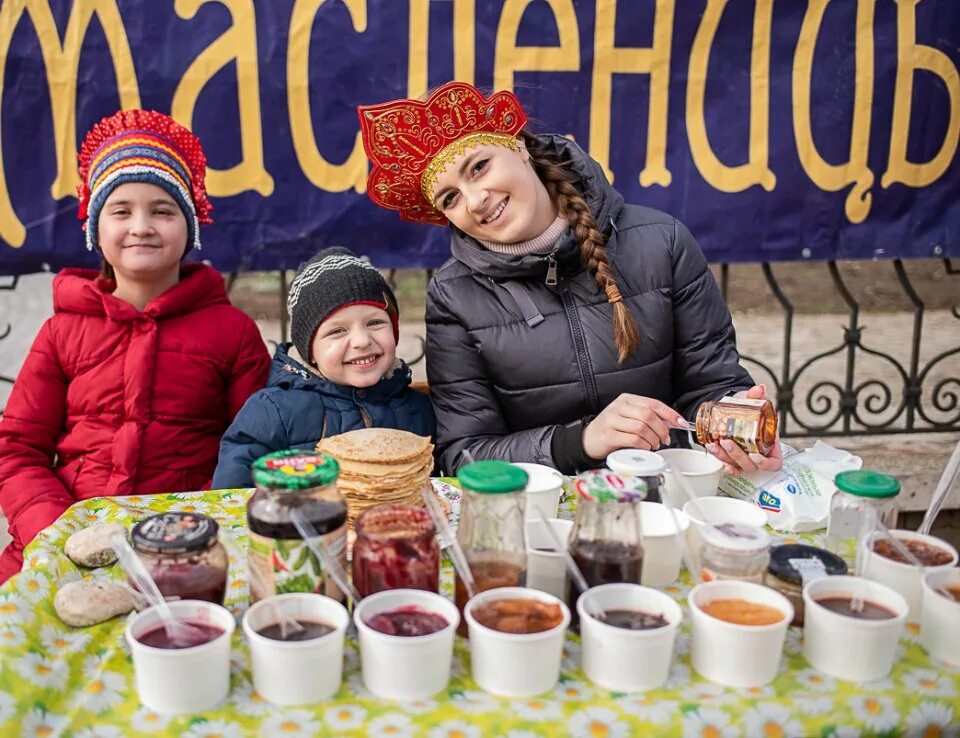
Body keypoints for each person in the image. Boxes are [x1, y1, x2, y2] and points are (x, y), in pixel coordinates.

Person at [357, 82, 782, 476]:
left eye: (479, 167)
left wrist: (735, 424)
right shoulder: (455, 295)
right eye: (450, 198)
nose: (476, 200)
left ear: (520, 149)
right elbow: (464, 453)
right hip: (540, 513)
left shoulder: (661, 242)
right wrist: (579, 441)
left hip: (666, 491)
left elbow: (711, 382)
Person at [0, 109, 270, 582]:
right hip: (63, 538)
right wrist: (58, 530)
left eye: (163, 210)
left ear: (189, 226)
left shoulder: (233, 332)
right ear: (96, 230)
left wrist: (198, 527)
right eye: (121, 211)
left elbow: (254, 449)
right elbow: (17, 450)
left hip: (190, 543)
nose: (141, 226)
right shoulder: (60, 333)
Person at [212, 246, 435, 488]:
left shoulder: (418, 410)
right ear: (310, 352)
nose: (361, 341)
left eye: (375, 322)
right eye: (337, 331)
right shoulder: (271, 412)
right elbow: (233, 495)